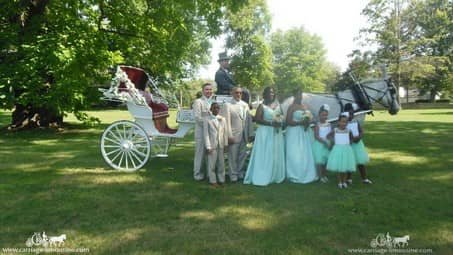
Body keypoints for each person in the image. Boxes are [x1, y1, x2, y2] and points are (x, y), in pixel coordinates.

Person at [243, 87, 285, 186]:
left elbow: (282, 117)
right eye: (269, 92)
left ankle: (275, 175)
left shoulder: (278, 105)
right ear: (265, 94)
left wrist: (280, 122)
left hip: (276, 133)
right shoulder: (262, 106)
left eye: (273, 92)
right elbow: (258, 119)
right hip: (265, 133)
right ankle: (263, 174)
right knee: (265, 153)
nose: (271, 94)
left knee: (275, 152)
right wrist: (271, 123)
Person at [221, 87, 254, 182]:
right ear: (232, 93)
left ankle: (240, 173)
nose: (238, 94)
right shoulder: (227, 105)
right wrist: (229, 136)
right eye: (236, 92)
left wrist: (250, 133)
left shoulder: (245, 105)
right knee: (232, 157)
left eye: (240, 93)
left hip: (244, 135)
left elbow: (249, 121)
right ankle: (233, 175)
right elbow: (226, 122)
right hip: (233, 136)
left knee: (242, 156)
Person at [285, 88, 318, 184]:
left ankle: (307, 171)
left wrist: (308, 121)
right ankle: (294, 173)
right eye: (298, 95)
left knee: (305, 152)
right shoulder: (291, 107)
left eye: (301, 95)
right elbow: (288, 121)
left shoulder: (304, 106)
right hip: (294, 132)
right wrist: (300, 122)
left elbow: (309, 118)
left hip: (305, 132)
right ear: (294, 96)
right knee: (294, 152)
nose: (300, 97)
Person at [344, 103, 372, 184]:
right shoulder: (344, 123)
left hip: (358, 144)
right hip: (349, 144)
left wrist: (359, 137)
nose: (351, 115)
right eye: (349, 113)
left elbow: (361, 131)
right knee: (349, 161)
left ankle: (364, 178)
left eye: (352, 113)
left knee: (360, 162)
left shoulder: (356, 122)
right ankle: (348, 179)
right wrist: (352, 138)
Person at [326, 114, 356, 189]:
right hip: (338, 150)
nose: (344, 124)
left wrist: (350, 142)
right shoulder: (335, 130)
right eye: (342, 122)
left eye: (346, 122)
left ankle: (344, 181)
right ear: (338, 122)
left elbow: (352, 138)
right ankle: (340, 181)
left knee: (345, 166)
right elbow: (328, 136)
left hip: (346, 150)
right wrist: (333, 140)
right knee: (339, 167)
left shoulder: (348, 130)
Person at [192, 83, 214, 181]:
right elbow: (197, 118)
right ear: (203, 91)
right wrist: (209, 124)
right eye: (206, 89)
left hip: (212, 132)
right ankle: (198, 174)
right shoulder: (198, 102)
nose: (209, 91)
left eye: (210, 89)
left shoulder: (214, 102)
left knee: (211, 154)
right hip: (201, 132)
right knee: (200, 154)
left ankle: (210, 174)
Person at [204, 102, 228, 187]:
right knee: (212, 164)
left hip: (221, 145)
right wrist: (208, 146)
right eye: (214, 108)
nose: (216, 109)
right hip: (212, 145)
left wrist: (225, 144)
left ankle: (221, 179)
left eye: (218, 108)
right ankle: (212, 180)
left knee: (221, 164)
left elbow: (225, 133)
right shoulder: (207, 119)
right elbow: (206, 134)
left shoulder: (223, 119)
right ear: (211, 109)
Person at [313, 104, 332, 183]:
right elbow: (316, 136)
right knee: (319, 161)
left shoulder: (329, 124)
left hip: (327, 144)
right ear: (319, 115)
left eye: (326, 115)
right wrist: (324, 142)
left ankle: (324, 175)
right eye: (323, 115)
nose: (324, 117)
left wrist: (330, 142)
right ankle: (320, 176)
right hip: (319, 144)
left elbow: (330, 134)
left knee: (325, 161)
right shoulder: (317, 125)